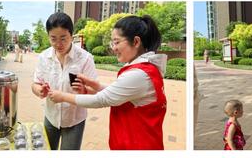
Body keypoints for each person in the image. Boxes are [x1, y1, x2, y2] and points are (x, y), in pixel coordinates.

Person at [48, 15, 167, 150]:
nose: (113, 48)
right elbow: (122, 93)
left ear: (136, 41)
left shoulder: (139, 74)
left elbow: (101, 100)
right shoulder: (147, 69)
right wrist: (95, 86)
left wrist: (62, 97)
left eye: (116, 42)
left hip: (136, 145)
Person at [32, 13, 98, 150]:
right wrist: (39, 90)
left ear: (71, 35)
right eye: (53, 39)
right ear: (48, 36)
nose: (58, 44)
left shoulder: (85, 58)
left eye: (63, 38)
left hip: (74, 120)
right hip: (51, 117)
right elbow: (35, 83)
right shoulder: (44, 57)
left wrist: (84, 90)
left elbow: (95, 91)